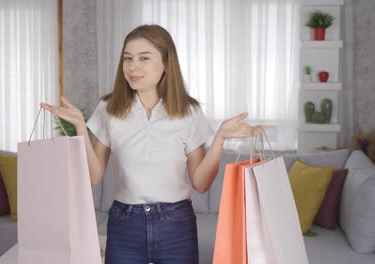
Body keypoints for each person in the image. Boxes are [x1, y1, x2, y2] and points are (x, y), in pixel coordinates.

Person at [41, 24, 263, 264]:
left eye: (143, 58)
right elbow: (94, 177)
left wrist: (219, 138)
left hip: (176, 225)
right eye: (128, 59)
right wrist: (81, 130)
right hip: (124, 223)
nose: (132, 67)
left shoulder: (188, 111)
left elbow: (201, 182)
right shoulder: (109, 109)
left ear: (167, 63)